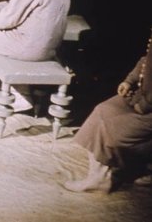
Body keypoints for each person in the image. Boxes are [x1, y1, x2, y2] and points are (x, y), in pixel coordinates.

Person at [63, 27, 152, 193]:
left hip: (147, 108)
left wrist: (144, 104)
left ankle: (103, 179)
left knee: (109, 128)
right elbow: (146, 60)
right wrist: (129, 81)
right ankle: (97, 176)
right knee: (103, 111)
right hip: (140, 97)